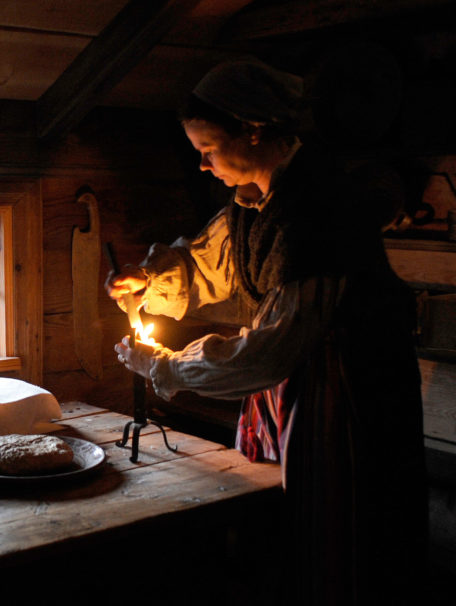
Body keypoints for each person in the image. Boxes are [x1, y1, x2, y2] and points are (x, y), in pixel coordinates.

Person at [107, 59, 428, 605]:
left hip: (346, 392)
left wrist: (166, 367)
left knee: (345, 531)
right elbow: (213, 265)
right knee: (292, 531)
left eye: (208, 149)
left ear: (254, 130)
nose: (204, 166)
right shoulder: (256, 201)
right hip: (298, 384)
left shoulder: (318, 209)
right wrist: (149, 280)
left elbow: (273, 346)